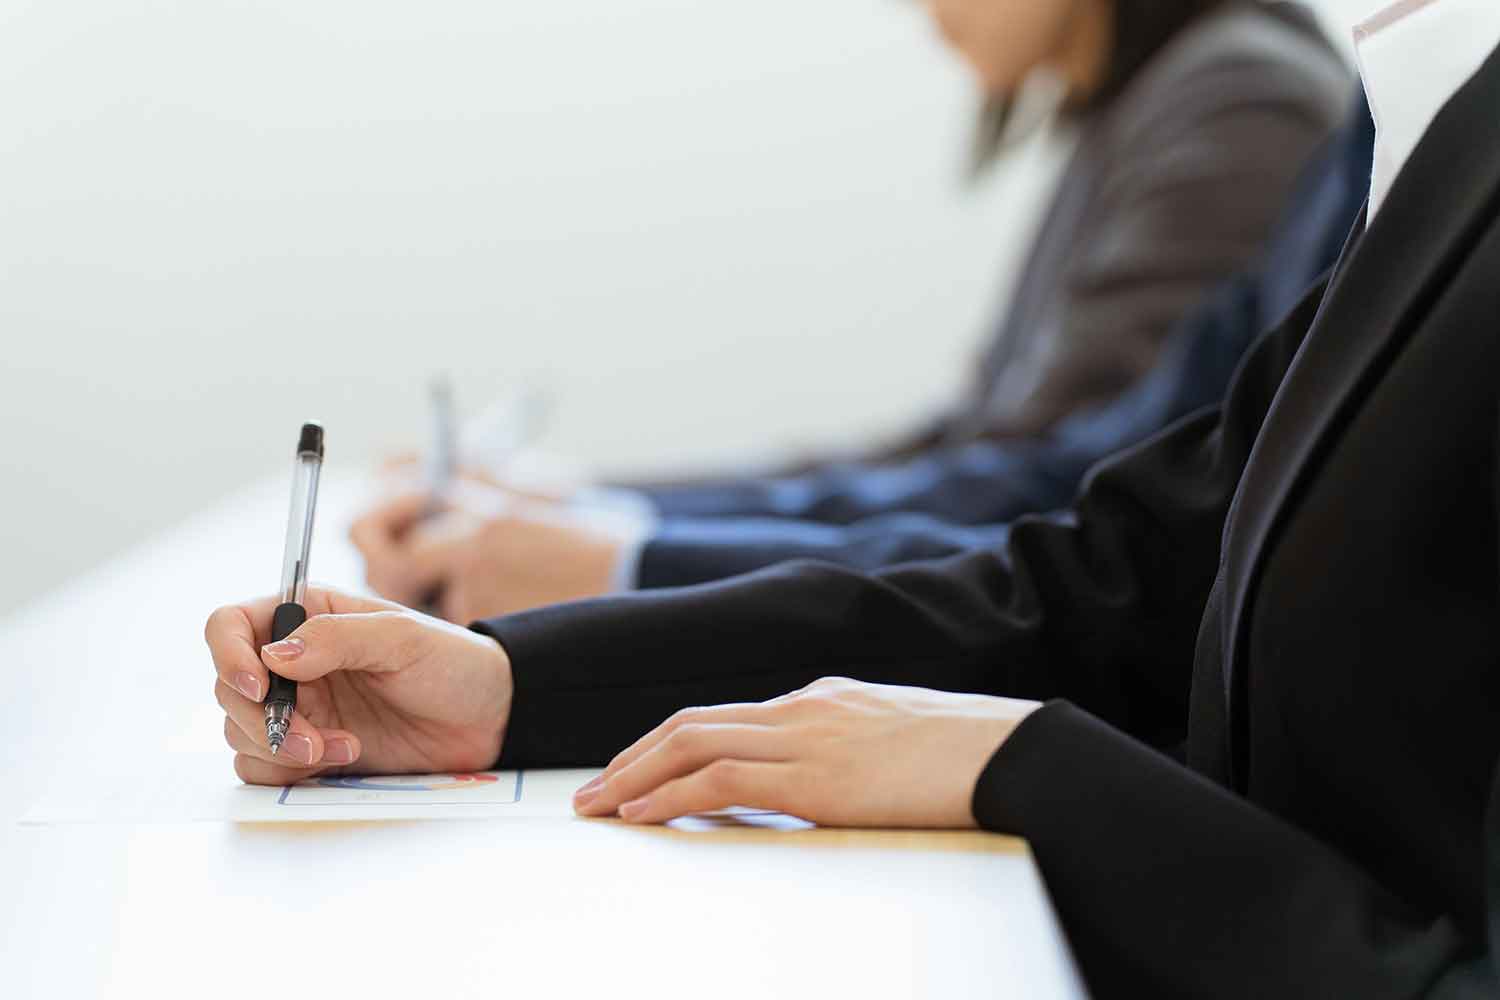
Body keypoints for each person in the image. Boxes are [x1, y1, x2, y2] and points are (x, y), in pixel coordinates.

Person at [206, 4, 1500, 992]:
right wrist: (506, 686)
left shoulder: (1271, 102)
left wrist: (1026, 768)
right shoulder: (1436, 118)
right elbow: (1111, 578)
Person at [350, 0, 1347, 616]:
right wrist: (596, 508)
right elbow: (966, 454)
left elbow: (1047, 500)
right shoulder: (1161, 101)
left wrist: (625, 551)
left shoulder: (1235, 103)